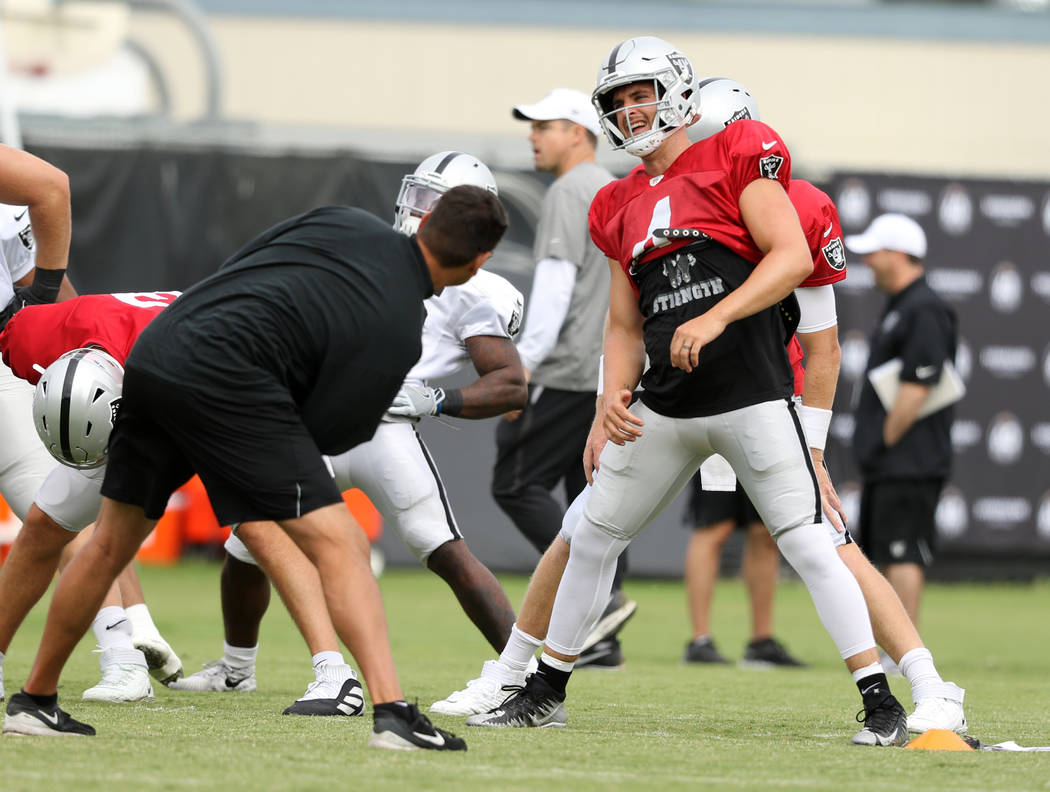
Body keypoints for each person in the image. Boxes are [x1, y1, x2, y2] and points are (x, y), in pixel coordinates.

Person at [466, 36, 909, 747]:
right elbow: (621, 321)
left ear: (675, 92)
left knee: (809, 542)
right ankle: (546, 688)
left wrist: (717, 314)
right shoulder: (613, 201)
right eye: (618, 101)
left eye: (641, 94)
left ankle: (881, 702)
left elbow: (792, 256)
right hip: (666, 404)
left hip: (754, 395)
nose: (631, 110)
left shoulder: (737, 152)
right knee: (591, 536)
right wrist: (611, 397)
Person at [2, 186, 507, 752]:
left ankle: (35, 701)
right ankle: (392, 714)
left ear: (426, 219)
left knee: (106, 545)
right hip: (230, 381)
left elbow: (244, 264)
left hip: (158, 350)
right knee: (339, 539)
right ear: (479, 261)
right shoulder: (397, 324)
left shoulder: (345, 219)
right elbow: (332, 435)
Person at [172, 152, 529, 718]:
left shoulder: (471, 289)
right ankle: (237, 669)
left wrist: (436, 399)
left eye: (439, 202)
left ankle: (524, 679)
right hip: (315, 424)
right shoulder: (372, 251)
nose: (420, 210)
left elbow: (511, 385)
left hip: (385, 429)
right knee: (246, 541)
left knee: (443, 549)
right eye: (421, 196)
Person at [491, 88, 635, 671]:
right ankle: (599, 635)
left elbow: (553, 288)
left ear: (578, 133)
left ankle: (602, 603)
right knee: (591, 497)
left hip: (569, 368)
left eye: (545, 126)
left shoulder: (571, 191)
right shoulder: (617, 189)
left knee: (515, 482)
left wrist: (521, 367)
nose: (534, 136)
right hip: (610, 371)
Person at [0, 292, 185, 704]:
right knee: (47, 524)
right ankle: (59, 685)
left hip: (213, 389)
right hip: (131, 369)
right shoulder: (29, 338)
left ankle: (332, 670)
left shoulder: (190, 356)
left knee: (260, 523)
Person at [846, 214, 958, 629]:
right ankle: (895, 645)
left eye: (874, 252)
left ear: (896, 254)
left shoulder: (925, 307)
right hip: (892, 462)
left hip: (911, 460)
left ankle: (905, 649)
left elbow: (918, 386)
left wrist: (884, 441)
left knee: (902, 552)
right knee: (885, 552)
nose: (869, 261)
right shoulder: (902, 305)